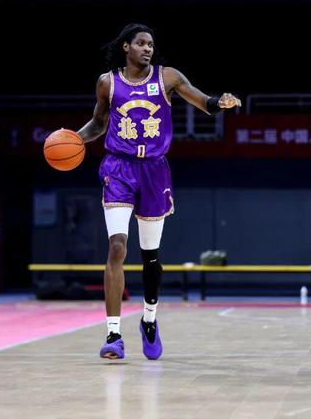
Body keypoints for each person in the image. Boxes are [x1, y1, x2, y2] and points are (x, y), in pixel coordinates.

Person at [75, 24, 241, 360]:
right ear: (126, 47)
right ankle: (113, 334)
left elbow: (203, 102)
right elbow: (99, 123)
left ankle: (149, 320)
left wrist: (219, 101)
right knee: (117, 246)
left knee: (150, 257)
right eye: (141, 43)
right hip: (119, 168)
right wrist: (74, 139)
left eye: (150, 44)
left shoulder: (168, 78)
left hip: (154, 170)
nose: (148, 48)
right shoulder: (108, 82)